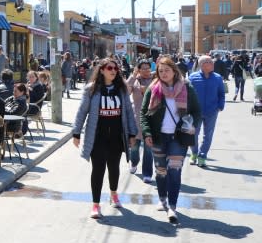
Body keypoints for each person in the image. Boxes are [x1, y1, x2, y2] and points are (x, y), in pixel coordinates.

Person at [72, 57, 138, 219]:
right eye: (110, 68)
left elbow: (129, 112)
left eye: (115, 68)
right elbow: (82, 111)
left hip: (116, 136)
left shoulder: (121, 89)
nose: (113, 71)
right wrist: (76, 132)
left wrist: (132, 133)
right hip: (97, 137)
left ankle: (114, 194)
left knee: (114, 167)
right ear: (101, 70)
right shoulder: (91, 89)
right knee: (98, 169)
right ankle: (95, 205)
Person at [141, 57, 201, 223]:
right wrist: (146, 133)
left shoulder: (186, 87)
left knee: (174, 172)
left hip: (178, 138)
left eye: (167, 70)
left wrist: (192, 124)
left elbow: (197, 111)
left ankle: (172, 207)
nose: (164, 74)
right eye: (160, 71)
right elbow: (144, 113)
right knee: (161, 171)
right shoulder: (153, 88)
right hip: (158, 137)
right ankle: (162, 199)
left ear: (174, 71)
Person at [188, 55, 226, 167]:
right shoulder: (192, 77)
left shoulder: (218, 78)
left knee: (208, 135)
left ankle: (202, 156)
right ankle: (194, 153)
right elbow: (187, 94)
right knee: (193, 134)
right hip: (196, 112)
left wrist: (220, 106)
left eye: (211, 61)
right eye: (209, 62)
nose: (212, 63)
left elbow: (221, 94)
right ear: (202, 65)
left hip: (212, 111)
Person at [125, 59, 155, 183]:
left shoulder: (155, 79)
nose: (146, 70)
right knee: (134, 147)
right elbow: (126, 91)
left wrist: (147, 89)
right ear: (138, 69)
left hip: (151, 118)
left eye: (148, 68)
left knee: (149, 148)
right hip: (136, 118)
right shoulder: (135, 81)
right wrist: (133, 76)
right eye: (143, 68)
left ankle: (147, 173)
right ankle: (134, 162)